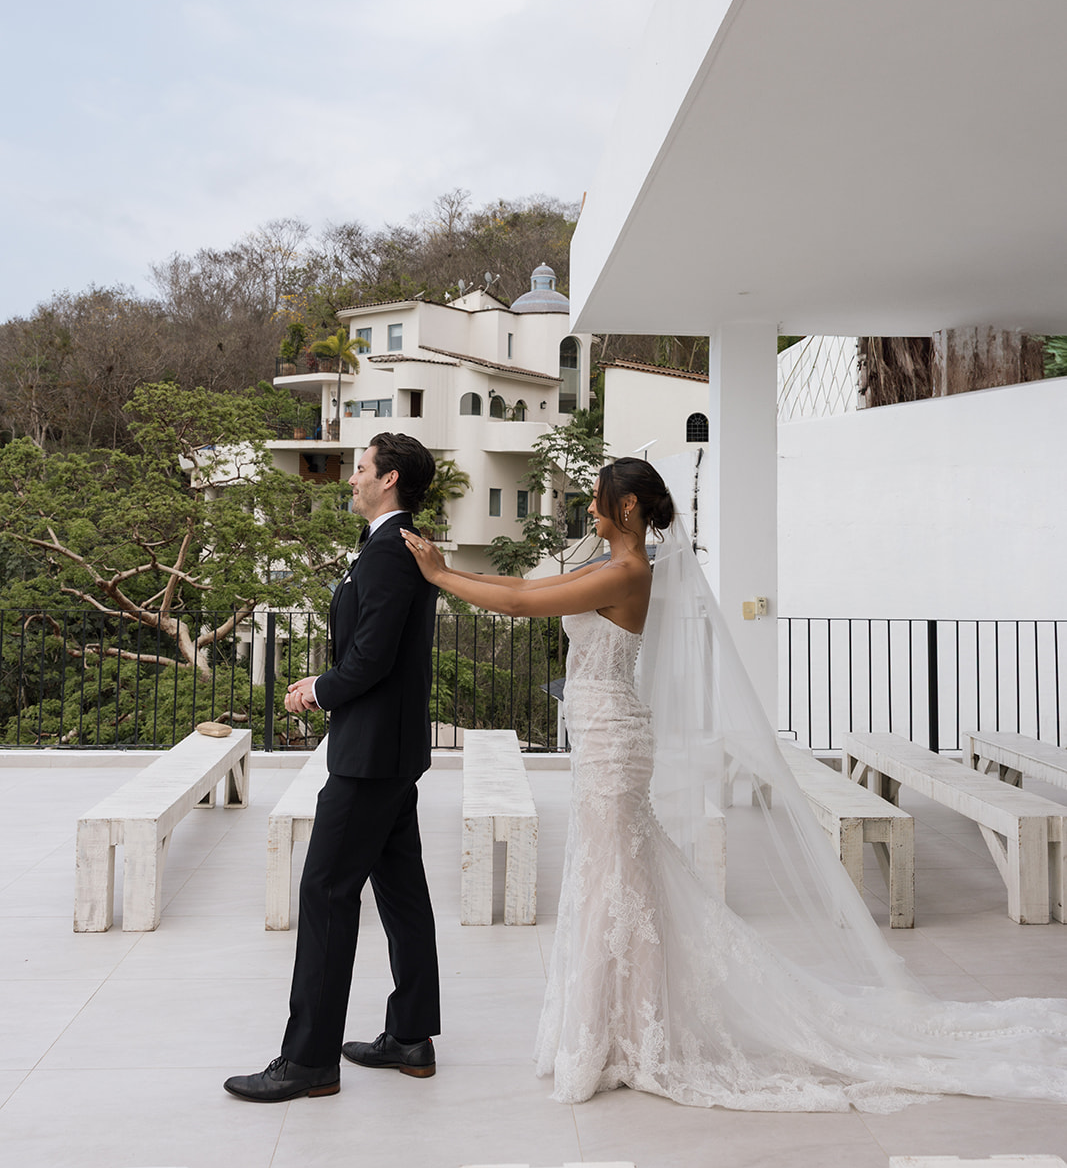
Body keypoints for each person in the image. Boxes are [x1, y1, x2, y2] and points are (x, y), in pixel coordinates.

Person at [402, 454, 1067, 1112]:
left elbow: (519, 604)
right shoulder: (607, 566)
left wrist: (436, 575)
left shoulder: (629, 571)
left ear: (626, 506)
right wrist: (447, 568)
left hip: (612, 742)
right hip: (603, 738)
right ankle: (624, 1028)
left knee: (613, 884)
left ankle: (629, 1035)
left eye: (599, 494)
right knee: (614, 884)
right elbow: (522, 582)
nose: (591, 504)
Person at [225, 433, 441, 1102]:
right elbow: (374, 651)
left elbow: (372, 657)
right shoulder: (391, 546)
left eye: (362, 468)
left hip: (370, 754)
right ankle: (409, 1036)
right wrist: (325, 681)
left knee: (324, 893)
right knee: (401, 891)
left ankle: (309, 1059)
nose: (351, 477)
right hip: (385, 749)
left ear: (390, 478)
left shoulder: (389, 553)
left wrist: (315, 690)